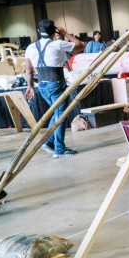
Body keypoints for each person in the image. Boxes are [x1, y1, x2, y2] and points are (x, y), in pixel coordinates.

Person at [24, 19, 85, 158]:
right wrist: (65, 33)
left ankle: (50, 142)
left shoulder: (30, 47)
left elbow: (28, 70)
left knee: (57, 113)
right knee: (61, 116)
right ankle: (59, 149)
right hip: (56, 84)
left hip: (42, 85)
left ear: (39, 31)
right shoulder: (58, 44)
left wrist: (30, 87)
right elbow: (80, 45)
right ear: (54, 31)